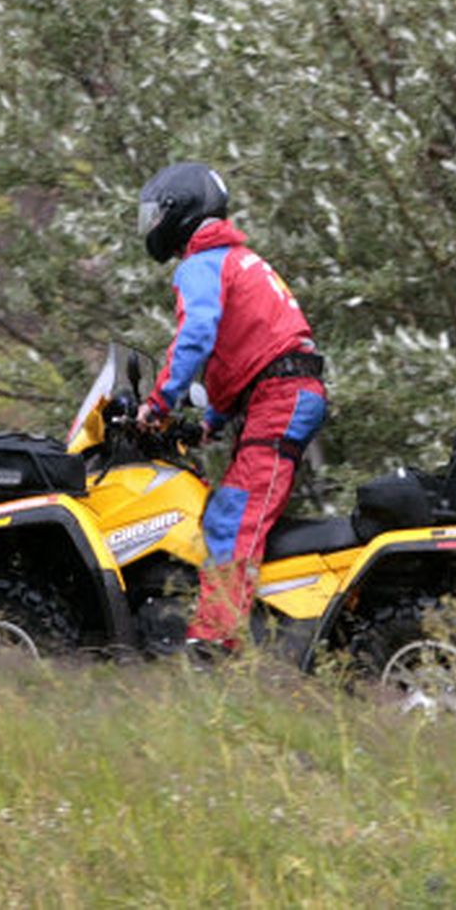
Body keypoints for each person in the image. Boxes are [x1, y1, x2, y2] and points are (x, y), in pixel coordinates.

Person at [134, 162, 327, 653]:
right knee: (241, 508)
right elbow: (244, 356)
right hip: (282, 392)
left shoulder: (201, 264)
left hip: (281, 397)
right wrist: (211, 423)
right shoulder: (237, 259)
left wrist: (157, 404)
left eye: (154, 214)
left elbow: (197, 337)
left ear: (178, 211)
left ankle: (215, 644)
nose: (151, 225)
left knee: (233, 516)